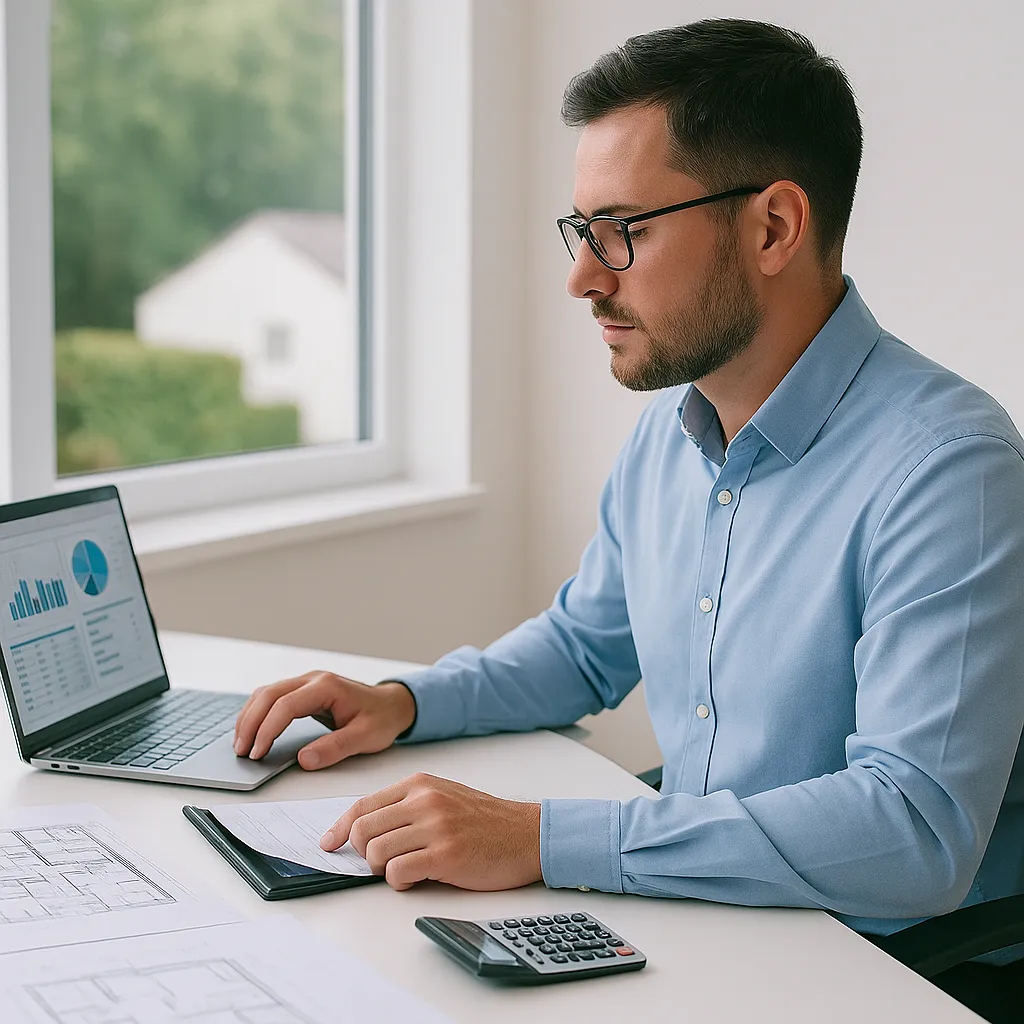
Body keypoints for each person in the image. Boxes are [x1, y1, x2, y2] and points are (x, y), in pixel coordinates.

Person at [234, 15, 1024, 979]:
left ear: (773, 226)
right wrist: (401, 700)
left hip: (889, 967)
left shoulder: (949, 470)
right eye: (581, 230)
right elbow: (581, 647)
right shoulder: (673, 429)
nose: (581, 278)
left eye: (622, 233)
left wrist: (539, 839)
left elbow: (913, 836)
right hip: (711, 911)